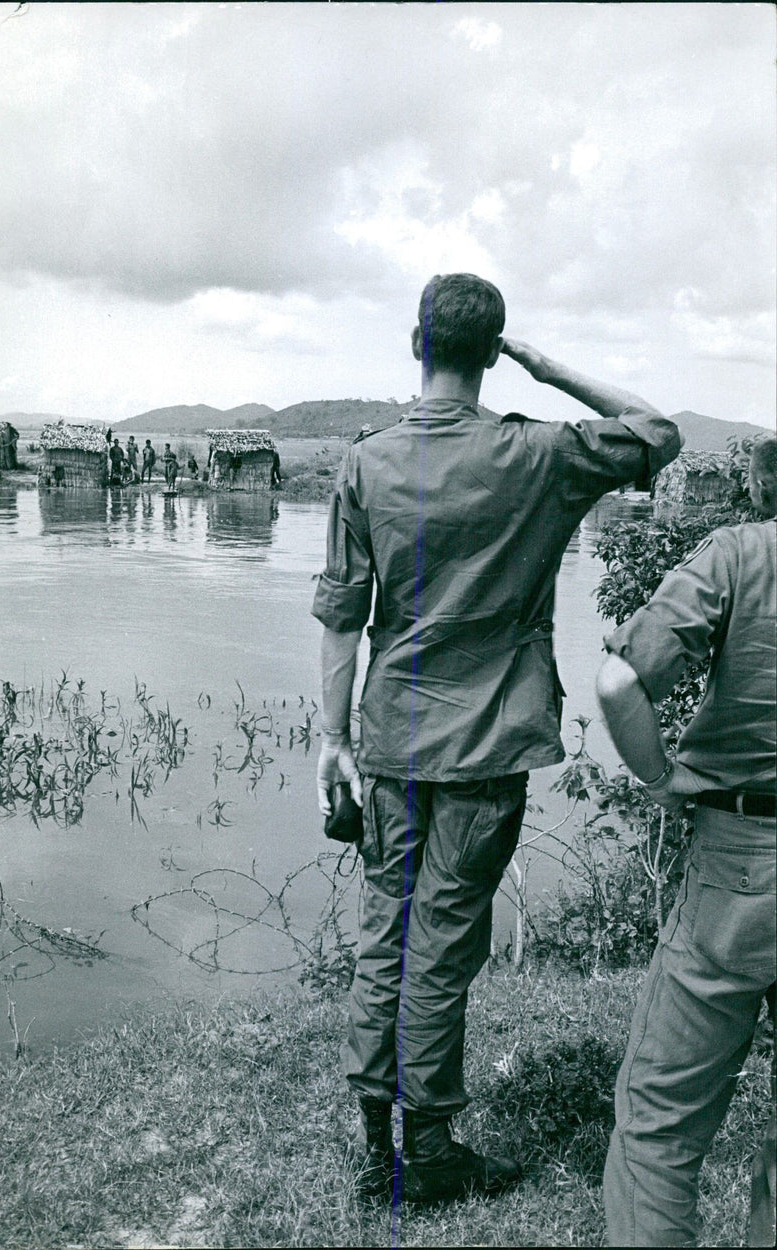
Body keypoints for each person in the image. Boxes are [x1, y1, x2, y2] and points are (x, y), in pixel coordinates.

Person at [311, 272, 681, 1205]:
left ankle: (372, 1142)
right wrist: (544, 366)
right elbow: (656, 432)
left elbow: (341, 615)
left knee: (384, 932)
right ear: (491, 352)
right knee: (440, 944)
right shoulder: (538, 455)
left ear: (413, 344)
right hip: (489, 742)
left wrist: (330, 736)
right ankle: (426, 1155)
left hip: (390, 733)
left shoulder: (366, 462)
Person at [596, 438, 777, 1247]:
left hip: (744, 861)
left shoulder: (741, 555)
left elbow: (619, 680)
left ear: (758, 484)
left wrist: (659, 776)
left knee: (659, 1128)